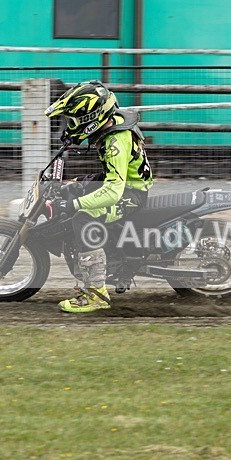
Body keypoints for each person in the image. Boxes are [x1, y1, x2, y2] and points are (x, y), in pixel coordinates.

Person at [44, 80, 153, 313]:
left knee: (82, 219)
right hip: (123, 183)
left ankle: (96, 294)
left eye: (73, 121)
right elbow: (112, 174)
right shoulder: (113, 125)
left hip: (130, 194)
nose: (69, 126)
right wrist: (76, 185)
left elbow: (113, 191)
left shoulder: (115, 141)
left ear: (91, 118)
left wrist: (74, 204)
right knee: (76, 190)